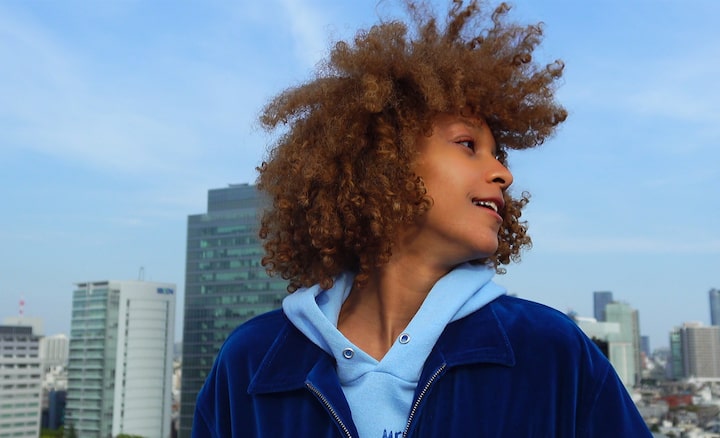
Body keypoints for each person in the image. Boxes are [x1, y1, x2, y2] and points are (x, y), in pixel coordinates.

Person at [192, 1, 653, 436]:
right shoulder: (251, 364)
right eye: (468, 145)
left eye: (499, 154)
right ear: (384, 160)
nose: (504, 174)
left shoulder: (552, 353)